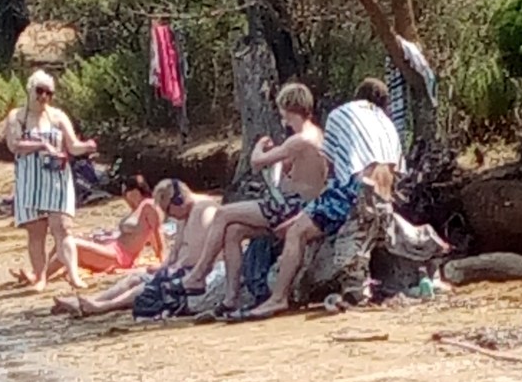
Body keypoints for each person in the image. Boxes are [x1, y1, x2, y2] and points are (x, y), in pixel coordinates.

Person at [245, 77, 403, 319]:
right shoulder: (389, 125)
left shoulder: (342, 114)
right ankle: (352, 291)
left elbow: (332, 168)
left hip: (355, 188)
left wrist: (305, 214)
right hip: (384, 196)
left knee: (297, 231)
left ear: (357, 96)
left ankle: (277, 298)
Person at [178, 82, 326, 315]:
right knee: (233, 230)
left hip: (292, 206)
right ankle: (230, 297)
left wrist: (259, 147)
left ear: (288, 109)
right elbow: (292, 166)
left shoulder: (300, 139)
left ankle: (199, 274)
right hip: (295, 202)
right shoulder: (315, 135)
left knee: (223, 213)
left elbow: (257, 162)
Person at [52, 178, 218, 318]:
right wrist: (163, 266)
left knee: (147, 284)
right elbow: (176, 251)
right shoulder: (186, 213)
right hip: (184, 267)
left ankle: (102, 307)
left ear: (179, 200)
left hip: (200, 270)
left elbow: (197, 255)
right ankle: (92, 300)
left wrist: (171, 268)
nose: (170, 216)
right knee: (134, 278)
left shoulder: (204, 211)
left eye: (168, 210)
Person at [5, 69, 97, 292]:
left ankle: (73, 275)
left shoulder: (57, 116)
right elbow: (14, 145)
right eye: (40, 91)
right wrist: (42, 145)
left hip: (56, 178)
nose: (44, 97)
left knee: (63, 228)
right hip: (30, 180)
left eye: (49, 93)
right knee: (37, 232)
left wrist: (87, 146)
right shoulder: (17, 116)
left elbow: (73, 145)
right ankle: (40, 278)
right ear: (30, 90)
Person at [38, 175, 164, 279]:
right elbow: (151, 234)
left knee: (71, 243)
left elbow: (157, 234)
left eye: (126, 193)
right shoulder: (140, 210)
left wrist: (161, 259)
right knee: (65, 239)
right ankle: (41, 271)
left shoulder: (149, 206)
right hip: (113, 250)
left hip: (119, 256)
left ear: (135, 192)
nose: (125, 198)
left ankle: (41, 276)